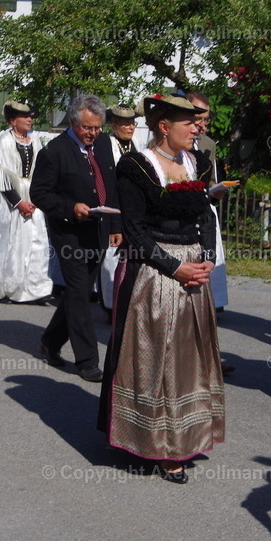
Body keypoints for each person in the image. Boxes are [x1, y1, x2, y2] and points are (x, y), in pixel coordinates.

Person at [98, 94, 224, 483]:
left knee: (190, 359)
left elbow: (204, 213)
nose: (197, 128)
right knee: (160, 359)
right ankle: (159, 444)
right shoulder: (135, 166)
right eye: (189, 123)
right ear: (164, 127)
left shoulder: (196, 161)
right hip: (155, 273)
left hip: (192, 272)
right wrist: (176, 266)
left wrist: (204, 257)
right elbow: (134, 231)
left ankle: (188, 435)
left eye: (197, 122)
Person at [30, 95, 120, 381]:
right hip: (69, 232)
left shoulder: (104, 144)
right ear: (72, 122)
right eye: (87, 128)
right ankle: (87, 360)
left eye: (97, 127)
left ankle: (50, 342)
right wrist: (70, 209)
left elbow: (110, 184)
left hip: (99, 229)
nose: (93, 133)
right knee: (81, 293)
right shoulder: (54, 151)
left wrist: (117, 223)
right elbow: (40, 194)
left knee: (77, 292)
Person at [0, 101, 53, 303]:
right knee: (12, 243)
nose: (30, 119)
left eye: (30, 116)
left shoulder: (35, 140)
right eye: (25, 116)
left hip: (33, 194)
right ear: (13, 121)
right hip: (11, 199)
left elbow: (41, 170)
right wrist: (18, 202)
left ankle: (35, 288)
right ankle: (7, 287)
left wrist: (38, 196)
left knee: (37, 241)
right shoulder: (4, 141)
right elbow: (1, 179)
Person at [185, 90, 230, 312]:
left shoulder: (208, 144)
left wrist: (215, 190)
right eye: (198, 118)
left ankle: (213, 300)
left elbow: (210, 180)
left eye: (206, 119)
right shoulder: (173, 141)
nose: (202, 125)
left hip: (204, 209)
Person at [98, 104, 138, 311]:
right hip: (113, 205)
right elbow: (107, 182)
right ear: (114, 125)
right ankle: (109, 303)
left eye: (133, 123)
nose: (130, 127)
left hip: (132, 207)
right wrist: (114, 223)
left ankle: (129, 301)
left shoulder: (136, 145)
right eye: (125, 123)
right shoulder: (106, 144)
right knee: (111, 258)